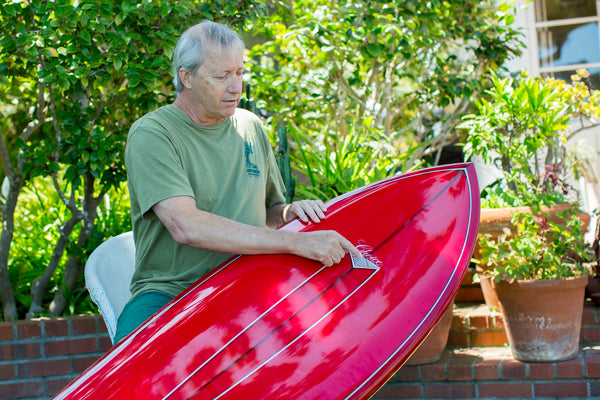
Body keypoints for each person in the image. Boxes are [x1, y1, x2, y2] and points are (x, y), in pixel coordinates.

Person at [114, 21, 361, 344]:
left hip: (251, 282)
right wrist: (294, 242)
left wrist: (289, 213)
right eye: (221, 76)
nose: (236, 87)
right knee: (129, 371)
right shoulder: (154, 133)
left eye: (240, 73)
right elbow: (187, 227)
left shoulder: (250, 126)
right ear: (186, 77)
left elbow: (272, 211)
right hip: (172, 291)